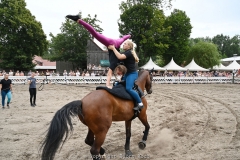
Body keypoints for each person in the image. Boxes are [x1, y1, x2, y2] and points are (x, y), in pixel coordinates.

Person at [66, 14, 130, 88]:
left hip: (117, 43)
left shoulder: (121, 63)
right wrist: (107, 85)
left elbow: (123, 39)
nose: (118, 74)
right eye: (119, 74)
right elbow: (109, 74)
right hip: (111, 44)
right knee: (94, 33)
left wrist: (129, 36)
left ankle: (130, 35)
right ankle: (79, 20)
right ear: (120, 70)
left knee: (123, 38)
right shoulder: (114, 64)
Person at [108, 40, 144, 111]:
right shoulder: (126, 52)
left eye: (125, 44)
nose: (123, 45)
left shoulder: (129, 52)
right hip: (127, 74)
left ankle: (140, 103)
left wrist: (113, 48)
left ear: (129, 46)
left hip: (132, 74)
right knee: (117, 84)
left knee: (128, 88)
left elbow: (120, 57)